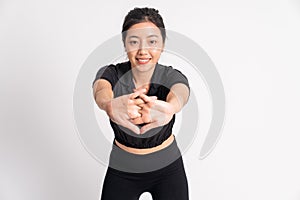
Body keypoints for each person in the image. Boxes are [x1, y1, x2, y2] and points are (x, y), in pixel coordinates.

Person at [92, 7, 190, 200]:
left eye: (152, 41)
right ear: (124, 44)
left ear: (162, 44)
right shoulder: (111, 73)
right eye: (134, 42)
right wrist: (109, 104)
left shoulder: (171, 76)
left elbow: (181, 91)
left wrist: (171, 107)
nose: (143, 51)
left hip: (168, 170)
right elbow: (101, 89)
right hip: (122, 170)